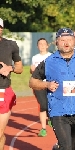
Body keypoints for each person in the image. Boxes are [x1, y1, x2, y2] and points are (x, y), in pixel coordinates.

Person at [29, 27, 75, 150]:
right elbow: (32, 81)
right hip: (57, 111)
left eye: (69, 39)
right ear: (57, 42)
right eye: (62, 40)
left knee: (73, 147)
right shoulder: (49, 61)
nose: (66, 43)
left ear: (74, 41)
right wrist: (47, 85)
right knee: (67, 147)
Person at [0, 18, 23, 149]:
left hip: (3, 91)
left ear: (2, 29)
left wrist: (10, 68)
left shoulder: (11, 45)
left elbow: (20, 68)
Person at [30, 38, 52, 137]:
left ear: (47, 46)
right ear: (37, 46)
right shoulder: (35, 58)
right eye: (40, 44)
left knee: (51, 104)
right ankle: (43, 128)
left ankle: (51, 117)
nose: (42, 46)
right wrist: (32, 70)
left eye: (44, 44)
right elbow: (33, 72)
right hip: (38, 85)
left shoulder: (51, 56)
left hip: (50, 84)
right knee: (43, 105)